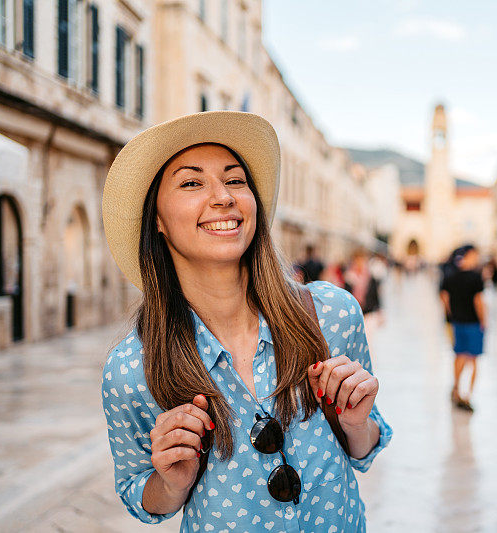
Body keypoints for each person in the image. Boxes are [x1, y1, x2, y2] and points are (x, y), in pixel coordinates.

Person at [100, 111, 392, 532]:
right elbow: (141, 496)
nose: (223, 197)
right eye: (191, 182)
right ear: (158, 220)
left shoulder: (332, 314)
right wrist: (171, 482)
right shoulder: (132, 369)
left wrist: (356, 422)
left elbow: (363, 450)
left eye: (235, 180)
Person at [440, 245, 486, 412]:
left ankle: (457, 388)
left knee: (459, 355)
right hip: (473, 322)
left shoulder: (450, 276)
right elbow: (479, 302)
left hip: (457, 322)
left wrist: (452, 313)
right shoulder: (476, 277)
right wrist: (484, 321)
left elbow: (444, 297)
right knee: (473, 359)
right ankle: (468, 395)